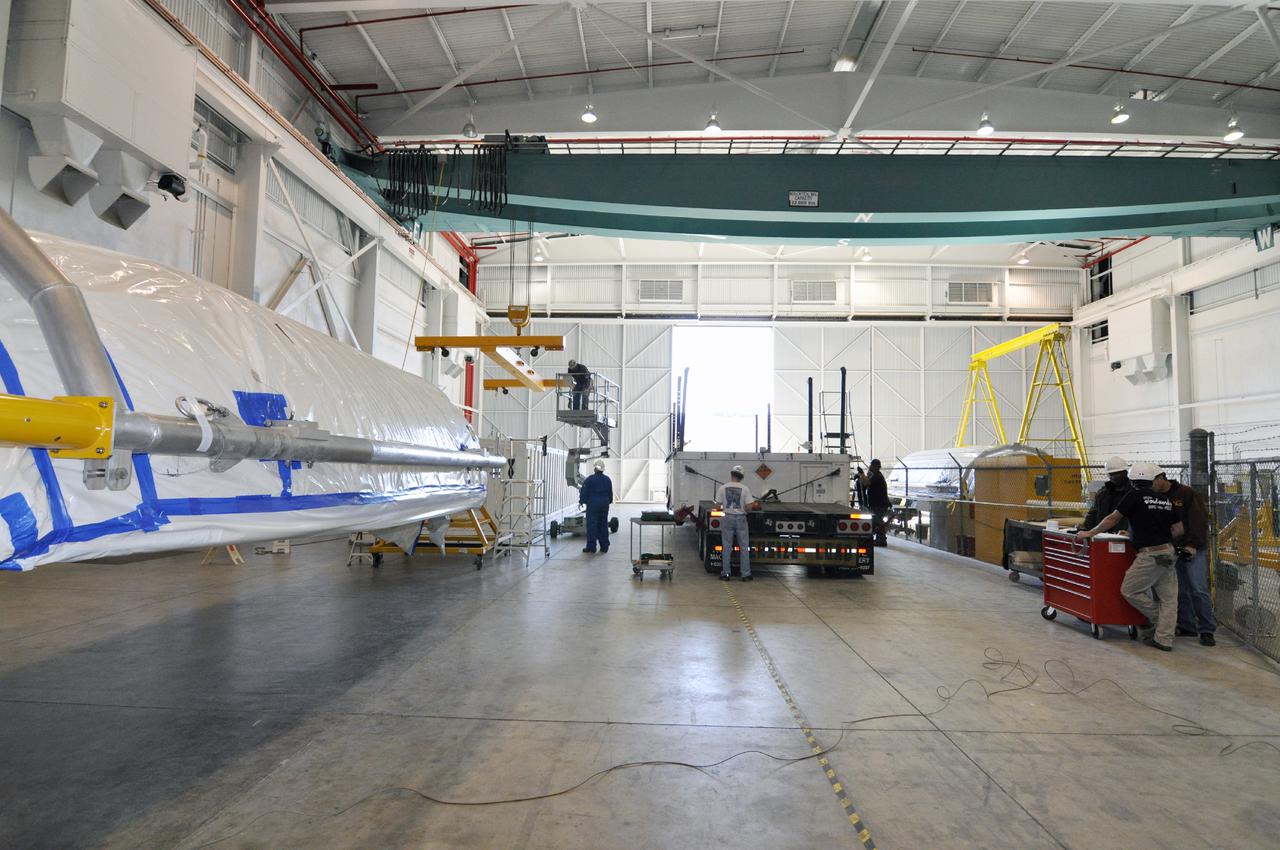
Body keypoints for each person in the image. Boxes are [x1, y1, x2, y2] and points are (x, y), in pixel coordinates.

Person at [1079, 462, 1183, 651]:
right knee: (1169, 598)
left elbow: (1113, 518)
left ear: (1133, 481)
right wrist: (1153, 536)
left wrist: (1090, 532)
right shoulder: (1165, 500)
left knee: (1130, 590)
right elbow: (1178, 529)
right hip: (1168, 551)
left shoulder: (1134, 496)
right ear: (1151, 480)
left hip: (1150, 555)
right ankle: (1164, 639)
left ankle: (1159, 619)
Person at [1166, 476, 1216, 646]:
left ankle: (1207, 629)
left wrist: (1192, 545)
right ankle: (1187, 625)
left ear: (1160, 479)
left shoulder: (1186, 493)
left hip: (1194, 548)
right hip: (1174, 547)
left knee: (1198, 588)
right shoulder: (1158, 496)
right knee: (1180, 589)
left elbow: (1199, 520)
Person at [715, 465, 761, 581]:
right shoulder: (745, 489)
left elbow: (718, 505)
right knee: (744, 547)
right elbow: (749, 507)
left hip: (727, 518)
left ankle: (726, 573)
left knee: (726, 546)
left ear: (731, 474)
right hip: (741, 519)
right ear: (741, 477)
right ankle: (745, 574)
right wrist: (744, 509)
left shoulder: (722, 488)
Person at [1082, 455, 1132, 533]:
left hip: (1124, 535)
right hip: (1103, 534)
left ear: (1125, 473)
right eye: (1111, 474)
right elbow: (1093, 514)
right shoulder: (1102, 493)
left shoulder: (1134, 493)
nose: (1114, 477)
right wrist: (1085, 528)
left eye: (1118, 473)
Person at [578, 459, 613, 554]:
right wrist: (608, 502)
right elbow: (610, 493)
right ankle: (604, 547)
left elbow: (584, 491)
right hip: (604, 504)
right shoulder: (607, 479)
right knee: (603, 524)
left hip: (593, 504)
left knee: (592, 525)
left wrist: (581, 501)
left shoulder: (590, 479)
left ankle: (591, 547)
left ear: (595, 469)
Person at [856, 459, 890, 547]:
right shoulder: (875, 475)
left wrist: (861, 474)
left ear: (875, 467)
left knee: (877, 522)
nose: (870, 467)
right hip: (877, 504)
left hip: (880, 505)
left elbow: (867, 483)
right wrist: (862, 476)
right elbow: (866, 481)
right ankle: (880, 539)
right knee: (877, 522)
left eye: (872, 466)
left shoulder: (877, 476)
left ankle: (882, 540)